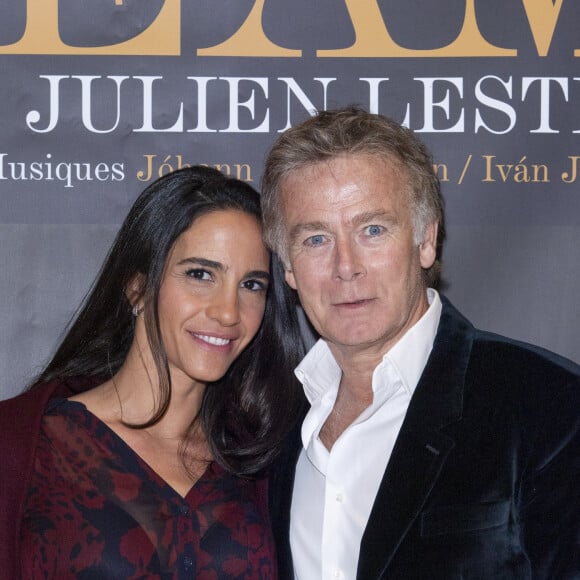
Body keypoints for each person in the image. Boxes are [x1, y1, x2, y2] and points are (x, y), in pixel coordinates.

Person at [261, 107, 580, 580]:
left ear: (426, 240)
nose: (345, 266)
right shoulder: (272, 427)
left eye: (372, 230)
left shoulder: (550, 405)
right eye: (315, 239)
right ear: (288, 267)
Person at [0, 165, 305, 579]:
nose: (228, 313)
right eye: (200, 275)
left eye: (252, 285)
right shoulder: (24, 446)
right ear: (138, 287)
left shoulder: (264, 463)